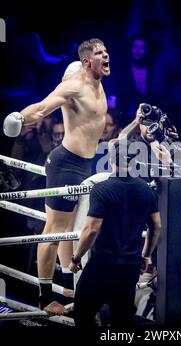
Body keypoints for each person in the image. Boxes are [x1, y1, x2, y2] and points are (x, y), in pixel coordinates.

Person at [3, 38, 110, 315]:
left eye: (106, 51)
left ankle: (66, 283)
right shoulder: (74, 85)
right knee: (53, 232)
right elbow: (41, 108)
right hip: (66, 165)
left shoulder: (97, 80)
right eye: (100, 53)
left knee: (70, 232)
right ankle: (45, 297)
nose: (106, 55)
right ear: (87, 62)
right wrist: (19, 117)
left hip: (84, 166)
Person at [68, 140, 161, 327]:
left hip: (102, 264)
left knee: (83, 317)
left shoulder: (102, 189)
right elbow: (156, 226)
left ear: (111, 160)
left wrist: (76, 258)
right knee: (122, 321)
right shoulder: (146, 190)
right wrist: (145, 256)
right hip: (129, 267)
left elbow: (92, 229)